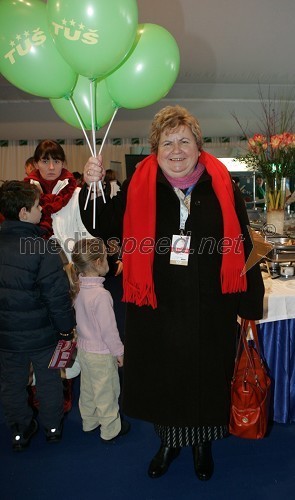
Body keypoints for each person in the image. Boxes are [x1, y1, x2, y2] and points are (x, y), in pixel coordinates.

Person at [80, 105, 264, 480]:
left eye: (184, 140)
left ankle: (202, 445)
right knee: (166, 381)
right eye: (167, 142)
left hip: (211, 304)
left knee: (206, 378)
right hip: (157, 306)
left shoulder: (222, 183)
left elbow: (244, 241)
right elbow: (102, 224)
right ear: (155, 148)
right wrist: (92, 185)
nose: (176, 150)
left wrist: (250, 300)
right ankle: (169, 443)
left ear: (198, 146)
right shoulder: (139, 183)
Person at [0, 181, 76, 451]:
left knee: (12, 384)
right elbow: (57, 296)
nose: (41, 209)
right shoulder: (42, 247)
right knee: (49, 381)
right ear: (23, 213)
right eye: (36, 206)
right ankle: (52, 427)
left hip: (6, 337)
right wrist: (66, 330)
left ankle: (20, 429)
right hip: (43, 334)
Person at [24, 139, 94, 411]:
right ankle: (36, 389)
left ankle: (64, 387)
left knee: (66, 331)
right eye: (45, 161)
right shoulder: (24, 193)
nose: (51, 167)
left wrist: (85, 268)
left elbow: (84, 233)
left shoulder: (76, 194)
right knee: (36, 330)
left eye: (56, 161)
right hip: (33, 272)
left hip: (66, 272)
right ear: (36, 163)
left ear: (64, 163)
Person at [65, 238, 130, 441]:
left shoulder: (78, 289)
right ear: (98, 262)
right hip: (101, 354)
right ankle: (110, 429)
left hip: (84, 351)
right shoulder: (101, 295)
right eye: (106, 258)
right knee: (107, 391)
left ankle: (89, 421)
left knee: (88, 389)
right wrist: (119, 352)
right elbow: (109, 331)